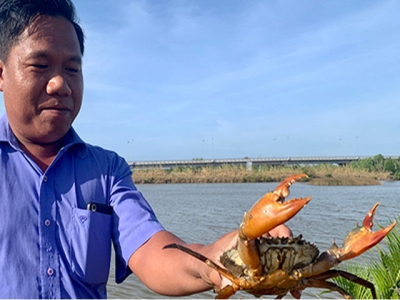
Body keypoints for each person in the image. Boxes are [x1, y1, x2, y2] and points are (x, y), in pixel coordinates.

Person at [0, 0, 292, 298]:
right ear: (1, 73)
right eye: (40, 65)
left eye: (72, 68)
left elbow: (151, 250)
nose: (60, 83)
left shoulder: (108, 170)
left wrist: (214, 260)